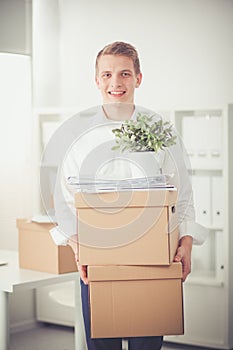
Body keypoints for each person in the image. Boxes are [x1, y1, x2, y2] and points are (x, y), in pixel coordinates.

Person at [48, 41, 206, 350]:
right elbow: (63, 199)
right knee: (101, 344)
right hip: (98, 256)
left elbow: (182, 194)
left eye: (124, 74)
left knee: (147, 344)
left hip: (154, 256)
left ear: (138, 78)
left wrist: (186, 242)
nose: (115, 83)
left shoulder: (162, 131)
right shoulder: (78, 136)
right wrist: (77, 244)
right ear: (96, 80)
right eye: (107, 74)